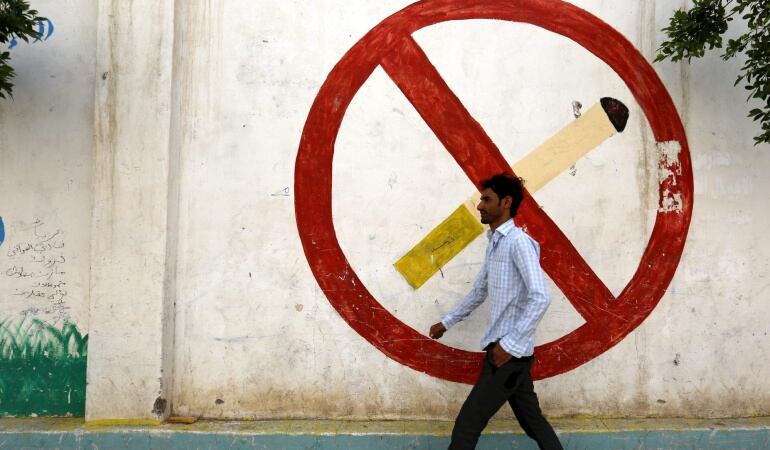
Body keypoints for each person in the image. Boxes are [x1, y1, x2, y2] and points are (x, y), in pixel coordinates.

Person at [429, 173, 563, 450]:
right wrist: (447, 321)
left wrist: (510, 345)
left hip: (507, 356)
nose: (480, 205)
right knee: (532, 422)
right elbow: (480, 291)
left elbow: (540, 296)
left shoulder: (518, 243)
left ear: (506, 202)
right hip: (510, 355)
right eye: (481, 199)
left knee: (468, 424)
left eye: (486, 199)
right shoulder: (496, 243)